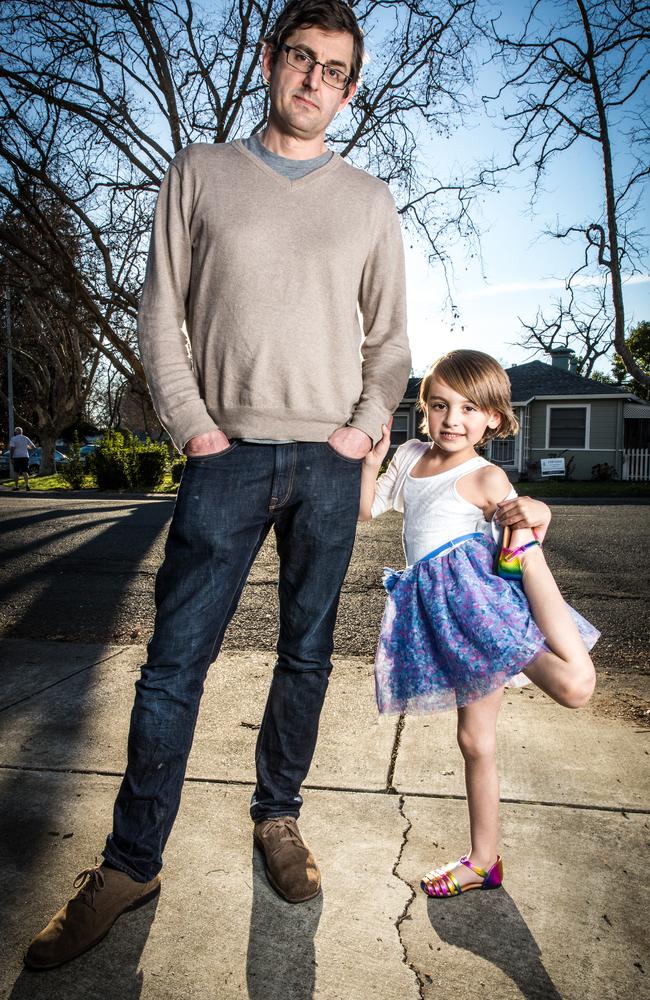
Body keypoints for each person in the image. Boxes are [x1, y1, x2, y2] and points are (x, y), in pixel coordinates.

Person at [25, 0, 411, 970]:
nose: (313, 80)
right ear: (269, 63)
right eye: (300, 60)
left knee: (305, 655)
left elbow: (391, 340)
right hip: (224, 455)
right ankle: (129, 861)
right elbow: (162, 314)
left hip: (327, 464)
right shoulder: (200, 173)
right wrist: (193, 426)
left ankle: (276, 818)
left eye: (333, 70)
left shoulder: (367, 200)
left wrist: (363, 431)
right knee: (173, 664)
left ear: (349, 91)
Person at [359, 349, 598, 898]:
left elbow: (520, 538)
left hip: (479, 605)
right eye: (440, 406)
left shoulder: (487, 477)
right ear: (424, 409)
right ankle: (483, 861)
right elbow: (366, 509)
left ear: (492, 418)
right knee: (473, 740)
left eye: (469, 409)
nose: (452, 420)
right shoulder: (412, 456)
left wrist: (541, 511)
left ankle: (574, 661)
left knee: (572, 686)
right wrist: (371, 463)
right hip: (443, 618)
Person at [9, 426, 36, 491]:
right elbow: (33, 446)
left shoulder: (13, 439)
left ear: (16, 432)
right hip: (25, 456)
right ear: (22, 432)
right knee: (25, 471)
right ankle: (27, 485)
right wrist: (27, 447)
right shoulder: (25, 438)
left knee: (16, 472)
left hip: (16, 457)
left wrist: (11, 457)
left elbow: (12, 448)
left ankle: (16, 486)